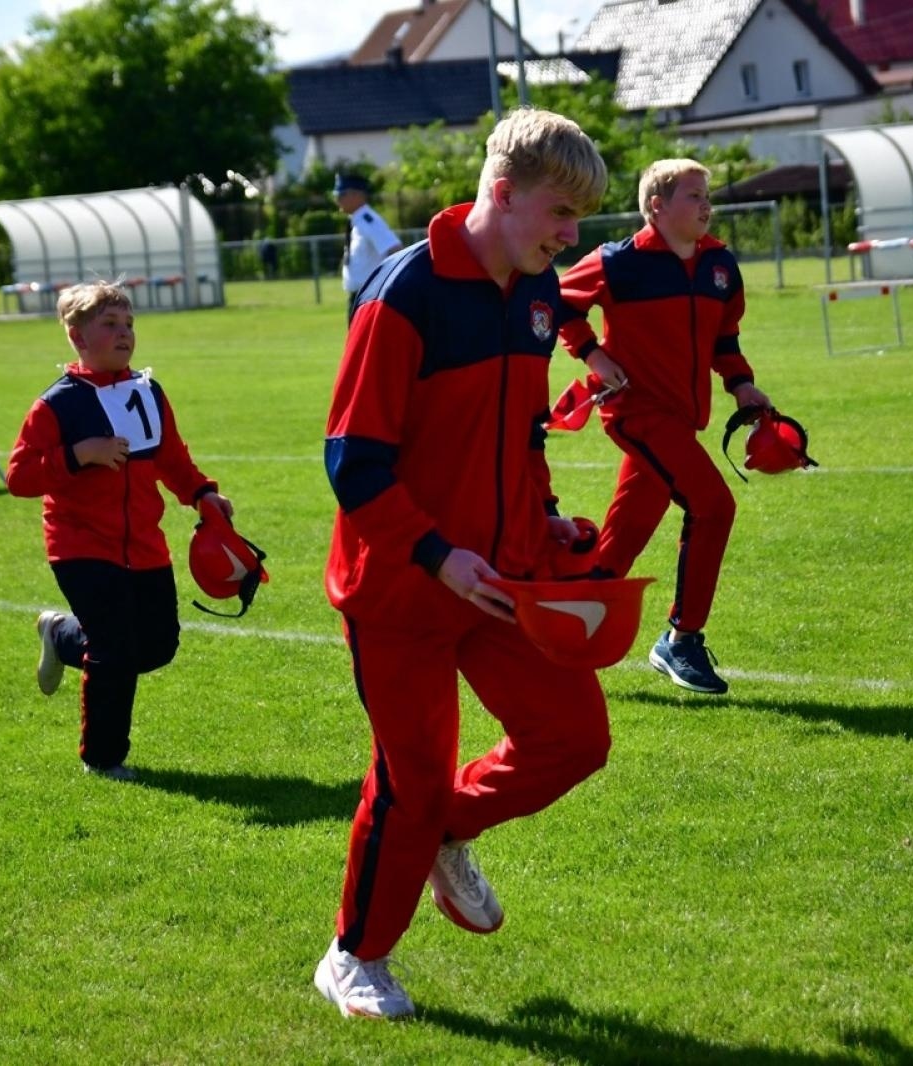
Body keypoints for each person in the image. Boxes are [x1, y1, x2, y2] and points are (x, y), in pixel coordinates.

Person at [316, 108, 609, 1020]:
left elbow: (523, 435)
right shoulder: (402, 294)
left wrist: (547, 521)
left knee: (574, 739)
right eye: (559, 213)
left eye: (577, 222)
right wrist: (437, 556)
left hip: (503, 576)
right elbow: (351, 460)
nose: (569, 237)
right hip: (402, 585)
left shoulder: (537, 294)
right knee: (408, 777)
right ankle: (354, 957)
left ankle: (450, 826)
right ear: (502, 192)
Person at [558, 158, 773, 696]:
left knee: (622, 539)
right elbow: (557, 302)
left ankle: (561, 639)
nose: (707, 205)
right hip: (636, 414)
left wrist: (741, 385)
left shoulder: (720, 264)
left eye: (707, 195)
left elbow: (726, 339)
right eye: (694, 196)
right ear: (657, 205)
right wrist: (593, 355)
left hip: (684, 419)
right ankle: (682, 638)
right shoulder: (618, 262)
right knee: (714, 506)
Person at [7, 279, 234, 781]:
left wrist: (202, 494)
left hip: (145, 546)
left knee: (156, 646)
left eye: (128, 323)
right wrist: (78, 455)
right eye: (109, 324)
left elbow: (172, 457)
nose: (124, 333)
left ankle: (61, 634)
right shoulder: (57, 404)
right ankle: (104, 758)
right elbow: (19, 477)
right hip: (80, 545)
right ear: (77, 336)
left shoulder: (148, 391)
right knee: (113, 649)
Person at [333, 171, 402, 324]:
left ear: (356, 195)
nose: (337, 200)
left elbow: (395, 248)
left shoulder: (368, 221)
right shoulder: (356, 221)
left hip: (369, 298)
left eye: (341, 195)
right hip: (359, 297)